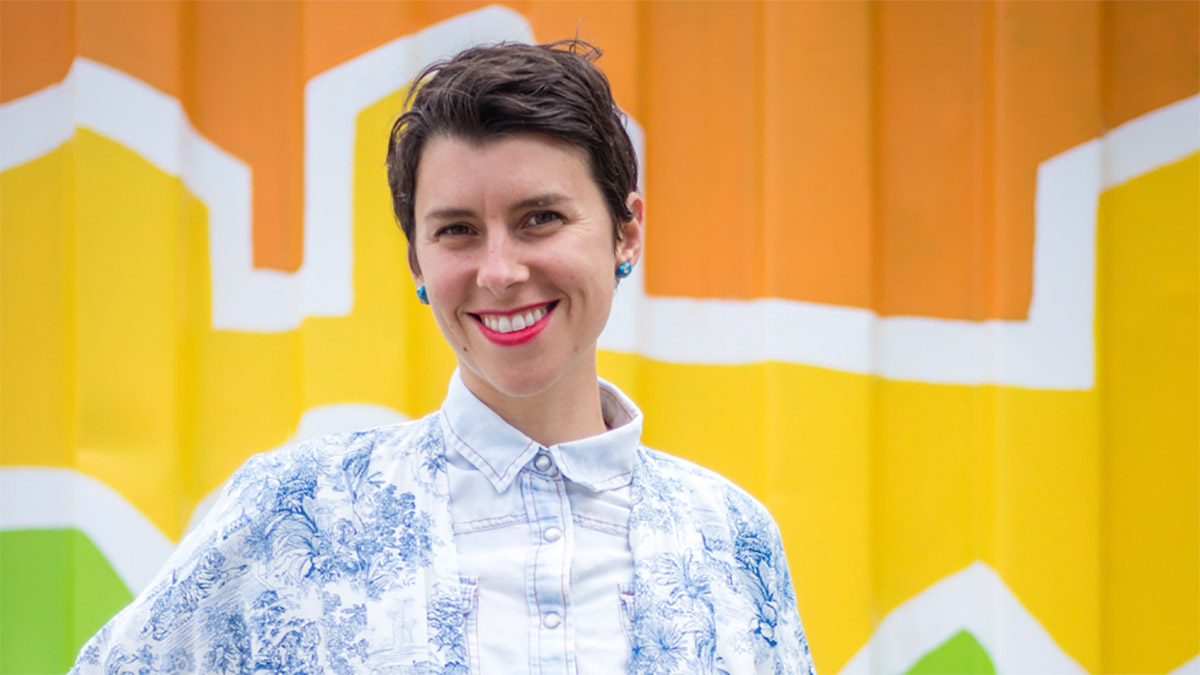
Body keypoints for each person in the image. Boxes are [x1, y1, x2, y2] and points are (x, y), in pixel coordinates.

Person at [71, 40, 816, 674]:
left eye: (541, 218)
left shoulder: (729, 535)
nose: (499, 271)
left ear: (627, 231)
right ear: (418, 263)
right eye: (458, 230)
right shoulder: (291, 511)